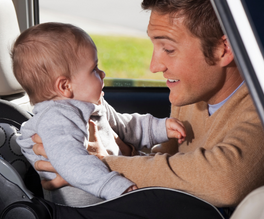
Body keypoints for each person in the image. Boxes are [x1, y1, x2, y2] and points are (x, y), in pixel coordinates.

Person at [32, 0, 264, 208]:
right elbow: (170, 164)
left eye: (168, 49)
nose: (154, 66)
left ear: (223, 49)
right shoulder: (193, 96)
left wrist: (89, 167)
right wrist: (125, 152)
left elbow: (225, 182)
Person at [12, 22, 187, 207]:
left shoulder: (92, 105)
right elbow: (73, 162)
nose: (102, 73)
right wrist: (113, 185)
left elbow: (125, 126)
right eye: (93, 69)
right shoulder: (56, 118)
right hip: (87, 214)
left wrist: (159, 127)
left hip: (109, 200)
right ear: (65, 86)